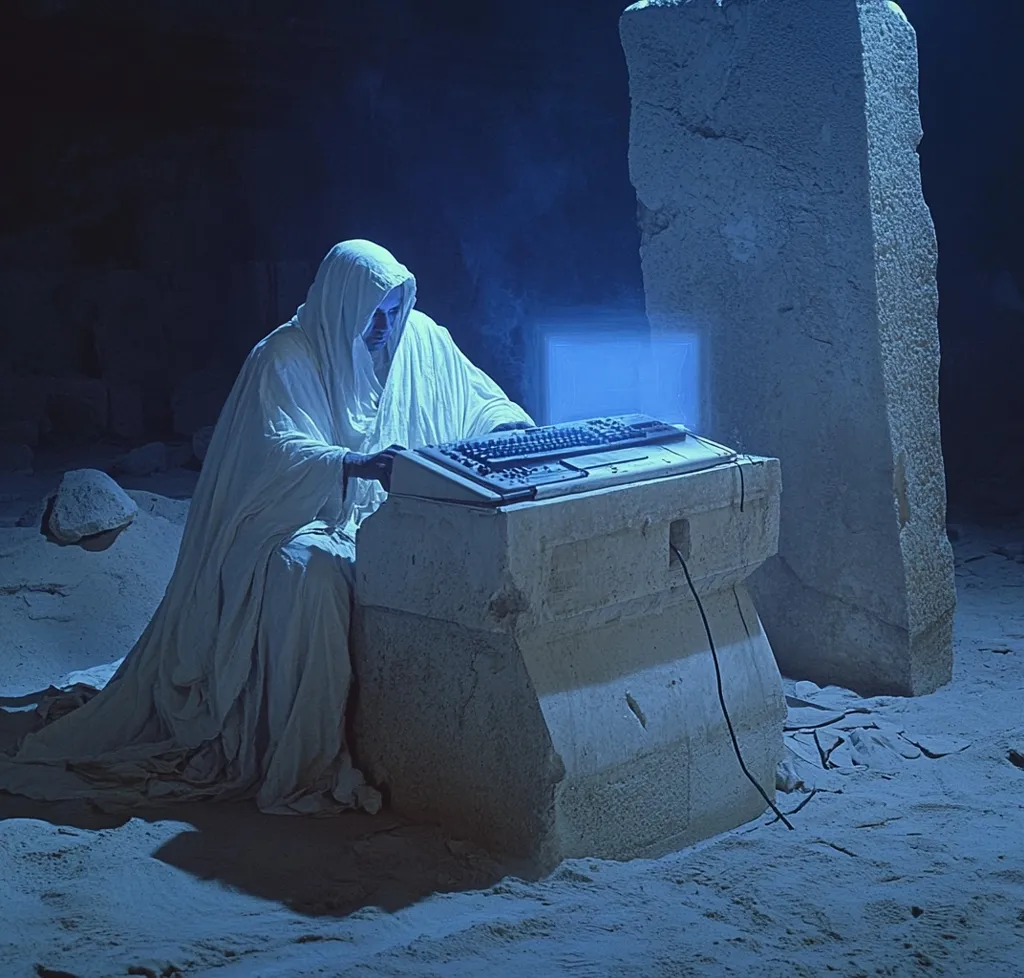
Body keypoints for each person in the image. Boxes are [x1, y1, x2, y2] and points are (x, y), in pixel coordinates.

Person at [0, 239, 534, 814]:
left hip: (393, 511)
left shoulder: (420, 342)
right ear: (341, 304)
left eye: (393, 310)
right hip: (292, 520)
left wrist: (508, 430)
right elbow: (275, 457)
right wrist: (354, 464)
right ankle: (308, 759)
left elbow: (483, 403)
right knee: (310, 573)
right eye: (372, 313)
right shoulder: (284, 356)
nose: (385, 326)